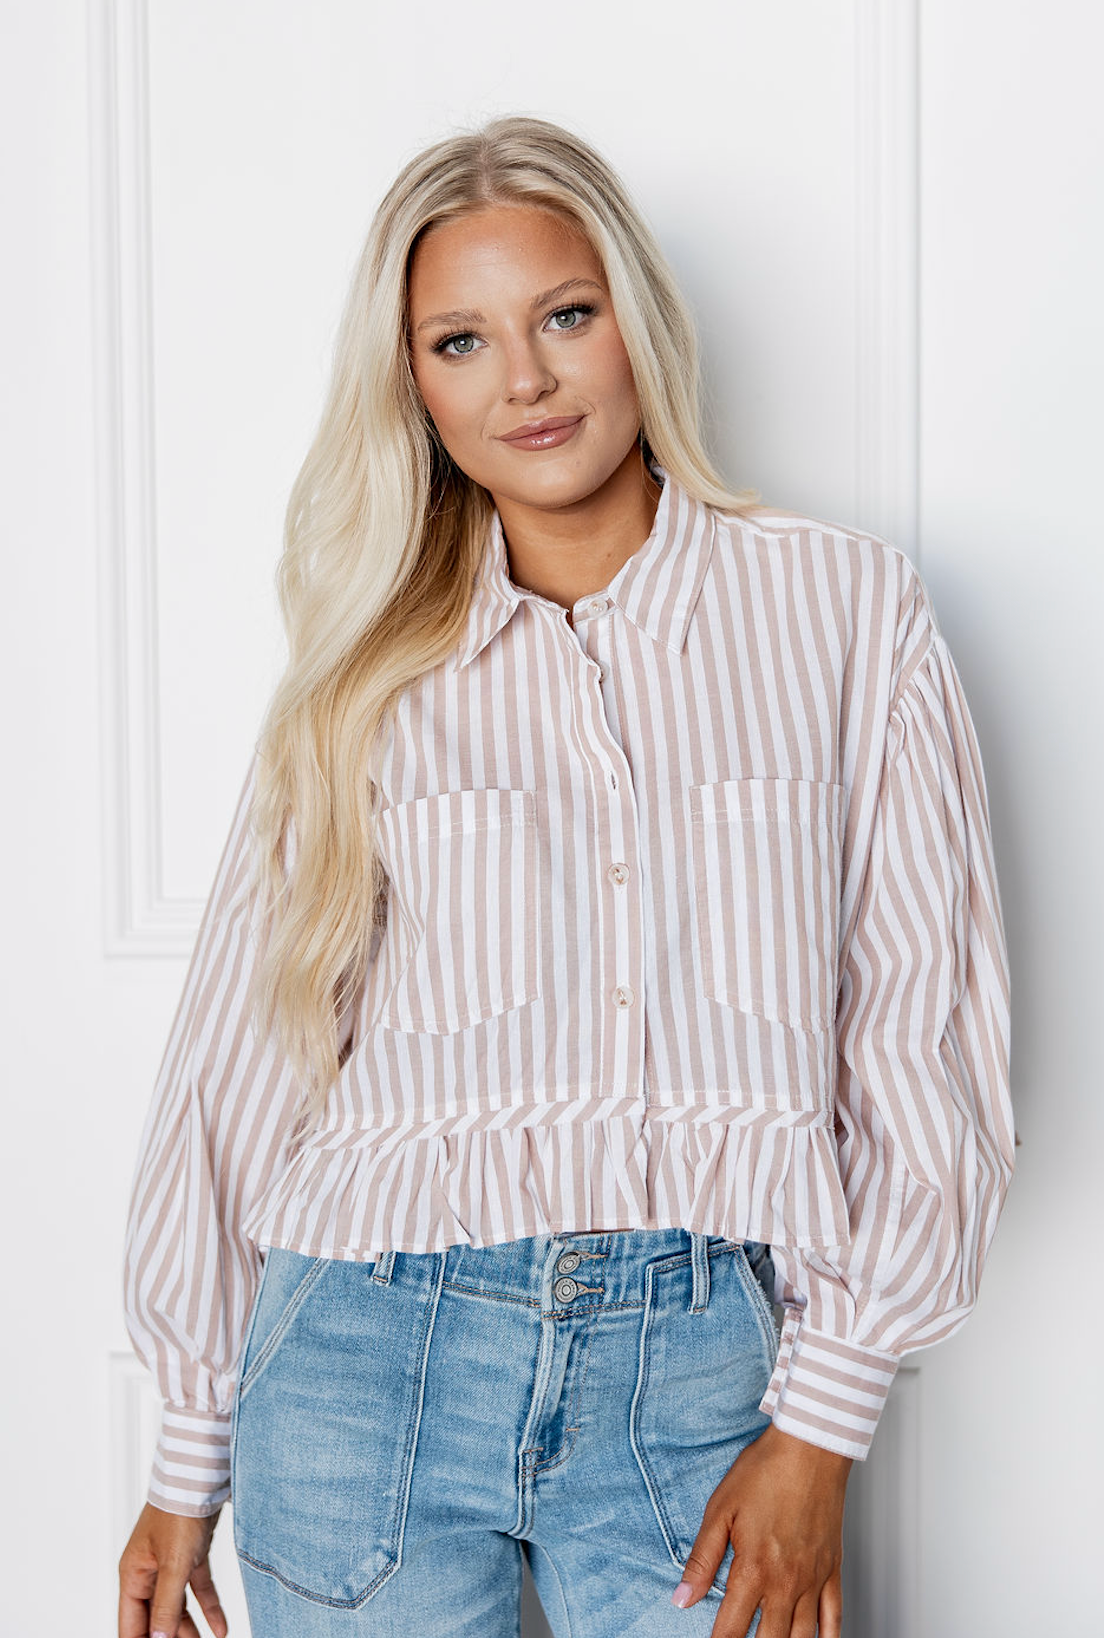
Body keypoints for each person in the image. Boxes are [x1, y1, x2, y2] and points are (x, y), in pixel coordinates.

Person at [117, 115, 1014, 1638]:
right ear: (413, 385)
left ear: (636, 321)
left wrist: (822, 1422)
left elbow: (919, 1023)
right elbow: (247, 1055)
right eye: (460, 341)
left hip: (702, 1383)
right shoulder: (363, 671)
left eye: (566, 315)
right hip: (360, 1370)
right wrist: (188, 1444)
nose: (524, 380)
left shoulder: (845, 610)